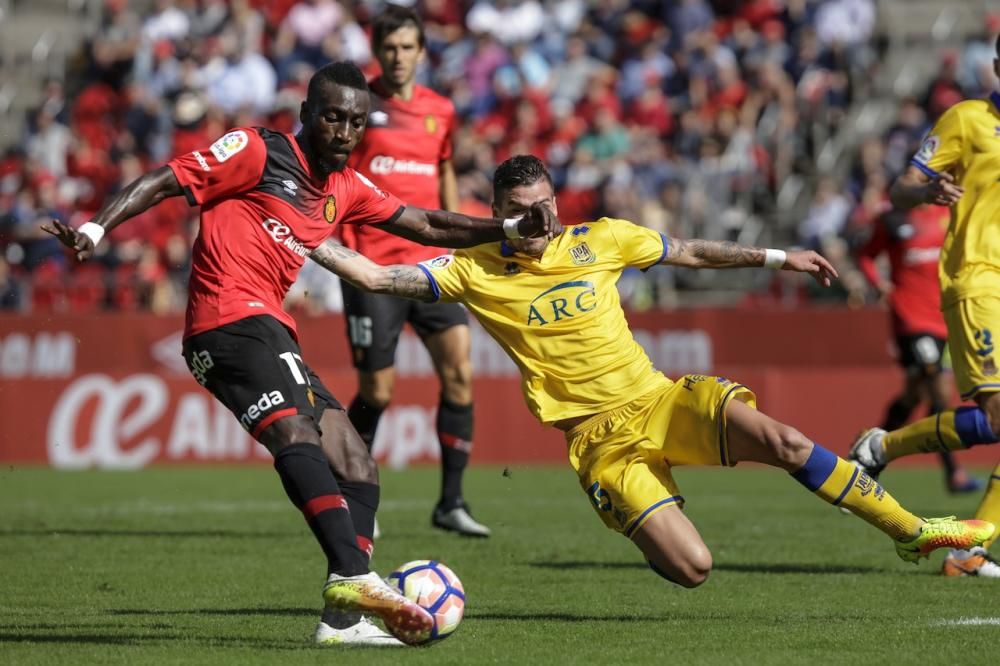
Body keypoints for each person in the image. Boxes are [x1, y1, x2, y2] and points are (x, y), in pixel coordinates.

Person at [42, 63, 559, 646]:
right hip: (228, 322)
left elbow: (429, 223)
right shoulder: (259, 151)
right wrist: (95, 230)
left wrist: (510, 228)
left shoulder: (346, 189)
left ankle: (342, 623)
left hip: (270, 329)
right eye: (333, 116)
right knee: (296, 436)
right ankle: (353, 575)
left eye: (356, 121)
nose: (344, 131)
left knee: (356, 462)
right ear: (309, 114)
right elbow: (164, 179)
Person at [307, 154, 994, 586]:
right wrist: (302, 234)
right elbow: (378, 274)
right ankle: (641, 507)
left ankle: (913, 532)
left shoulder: (600, 238)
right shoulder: (474, 270)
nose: (537, 220)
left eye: (544, 206)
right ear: (496, 215)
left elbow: (690, 251)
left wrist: (778, 257)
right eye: (520, 213)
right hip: (599, 443)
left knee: (784, 440)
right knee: (694, 570)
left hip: (662, 399)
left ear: (557, 200)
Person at [848, 42, 1000, 578]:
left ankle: (884, 445)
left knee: (995, 423)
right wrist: (926, 188)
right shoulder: (969, 119)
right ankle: (970, 550)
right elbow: (901, 188)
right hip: (978, 279)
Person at [339, 6, 488, 537]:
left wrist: (458, 243)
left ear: (422, 52)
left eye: (407, 47)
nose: (398, 57)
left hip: (433, 270)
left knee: (460, 375)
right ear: (376, 51)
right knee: (377, 392)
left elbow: (444, 169)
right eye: (389, 48)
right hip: (372, 268)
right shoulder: (358, 107)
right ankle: (354, 494)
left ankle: (451, 502)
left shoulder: (440, 110)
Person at [854, 203, 980, 493]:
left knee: (914, 394)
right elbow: (865, 256)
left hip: (945, 318)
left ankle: (868, 453)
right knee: (938, 390)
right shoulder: (892, 218)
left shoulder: (948, 214)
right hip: (910, 319)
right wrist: (880, 285)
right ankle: (953, 473)